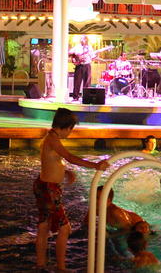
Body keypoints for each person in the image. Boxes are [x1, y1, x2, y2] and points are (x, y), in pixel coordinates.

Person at [34, 108, 109, 272]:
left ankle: (40, 265)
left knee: (44, 227)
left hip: (44, 185)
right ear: (66, 127)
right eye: (71, 129)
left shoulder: (50, 137)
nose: (70, 133)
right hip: (49, 189)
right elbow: (70, 157)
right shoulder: (53, 140)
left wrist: (64, 171)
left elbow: (50, 160)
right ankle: (61, 268)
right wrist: (96, 166)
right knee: (64, 228)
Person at [69, 36, 96, 101]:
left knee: (87, 82)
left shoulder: (89, 48)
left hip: (87, 65)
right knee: (77, 82)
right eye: (82, 39)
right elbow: (69, 53)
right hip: (79, 66)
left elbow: (93, 57)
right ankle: (75, 97)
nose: (83, 40)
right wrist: (76, 57)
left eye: (85, 39)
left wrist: (93, 57)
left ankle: (86, 97)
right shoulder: (77, 47)